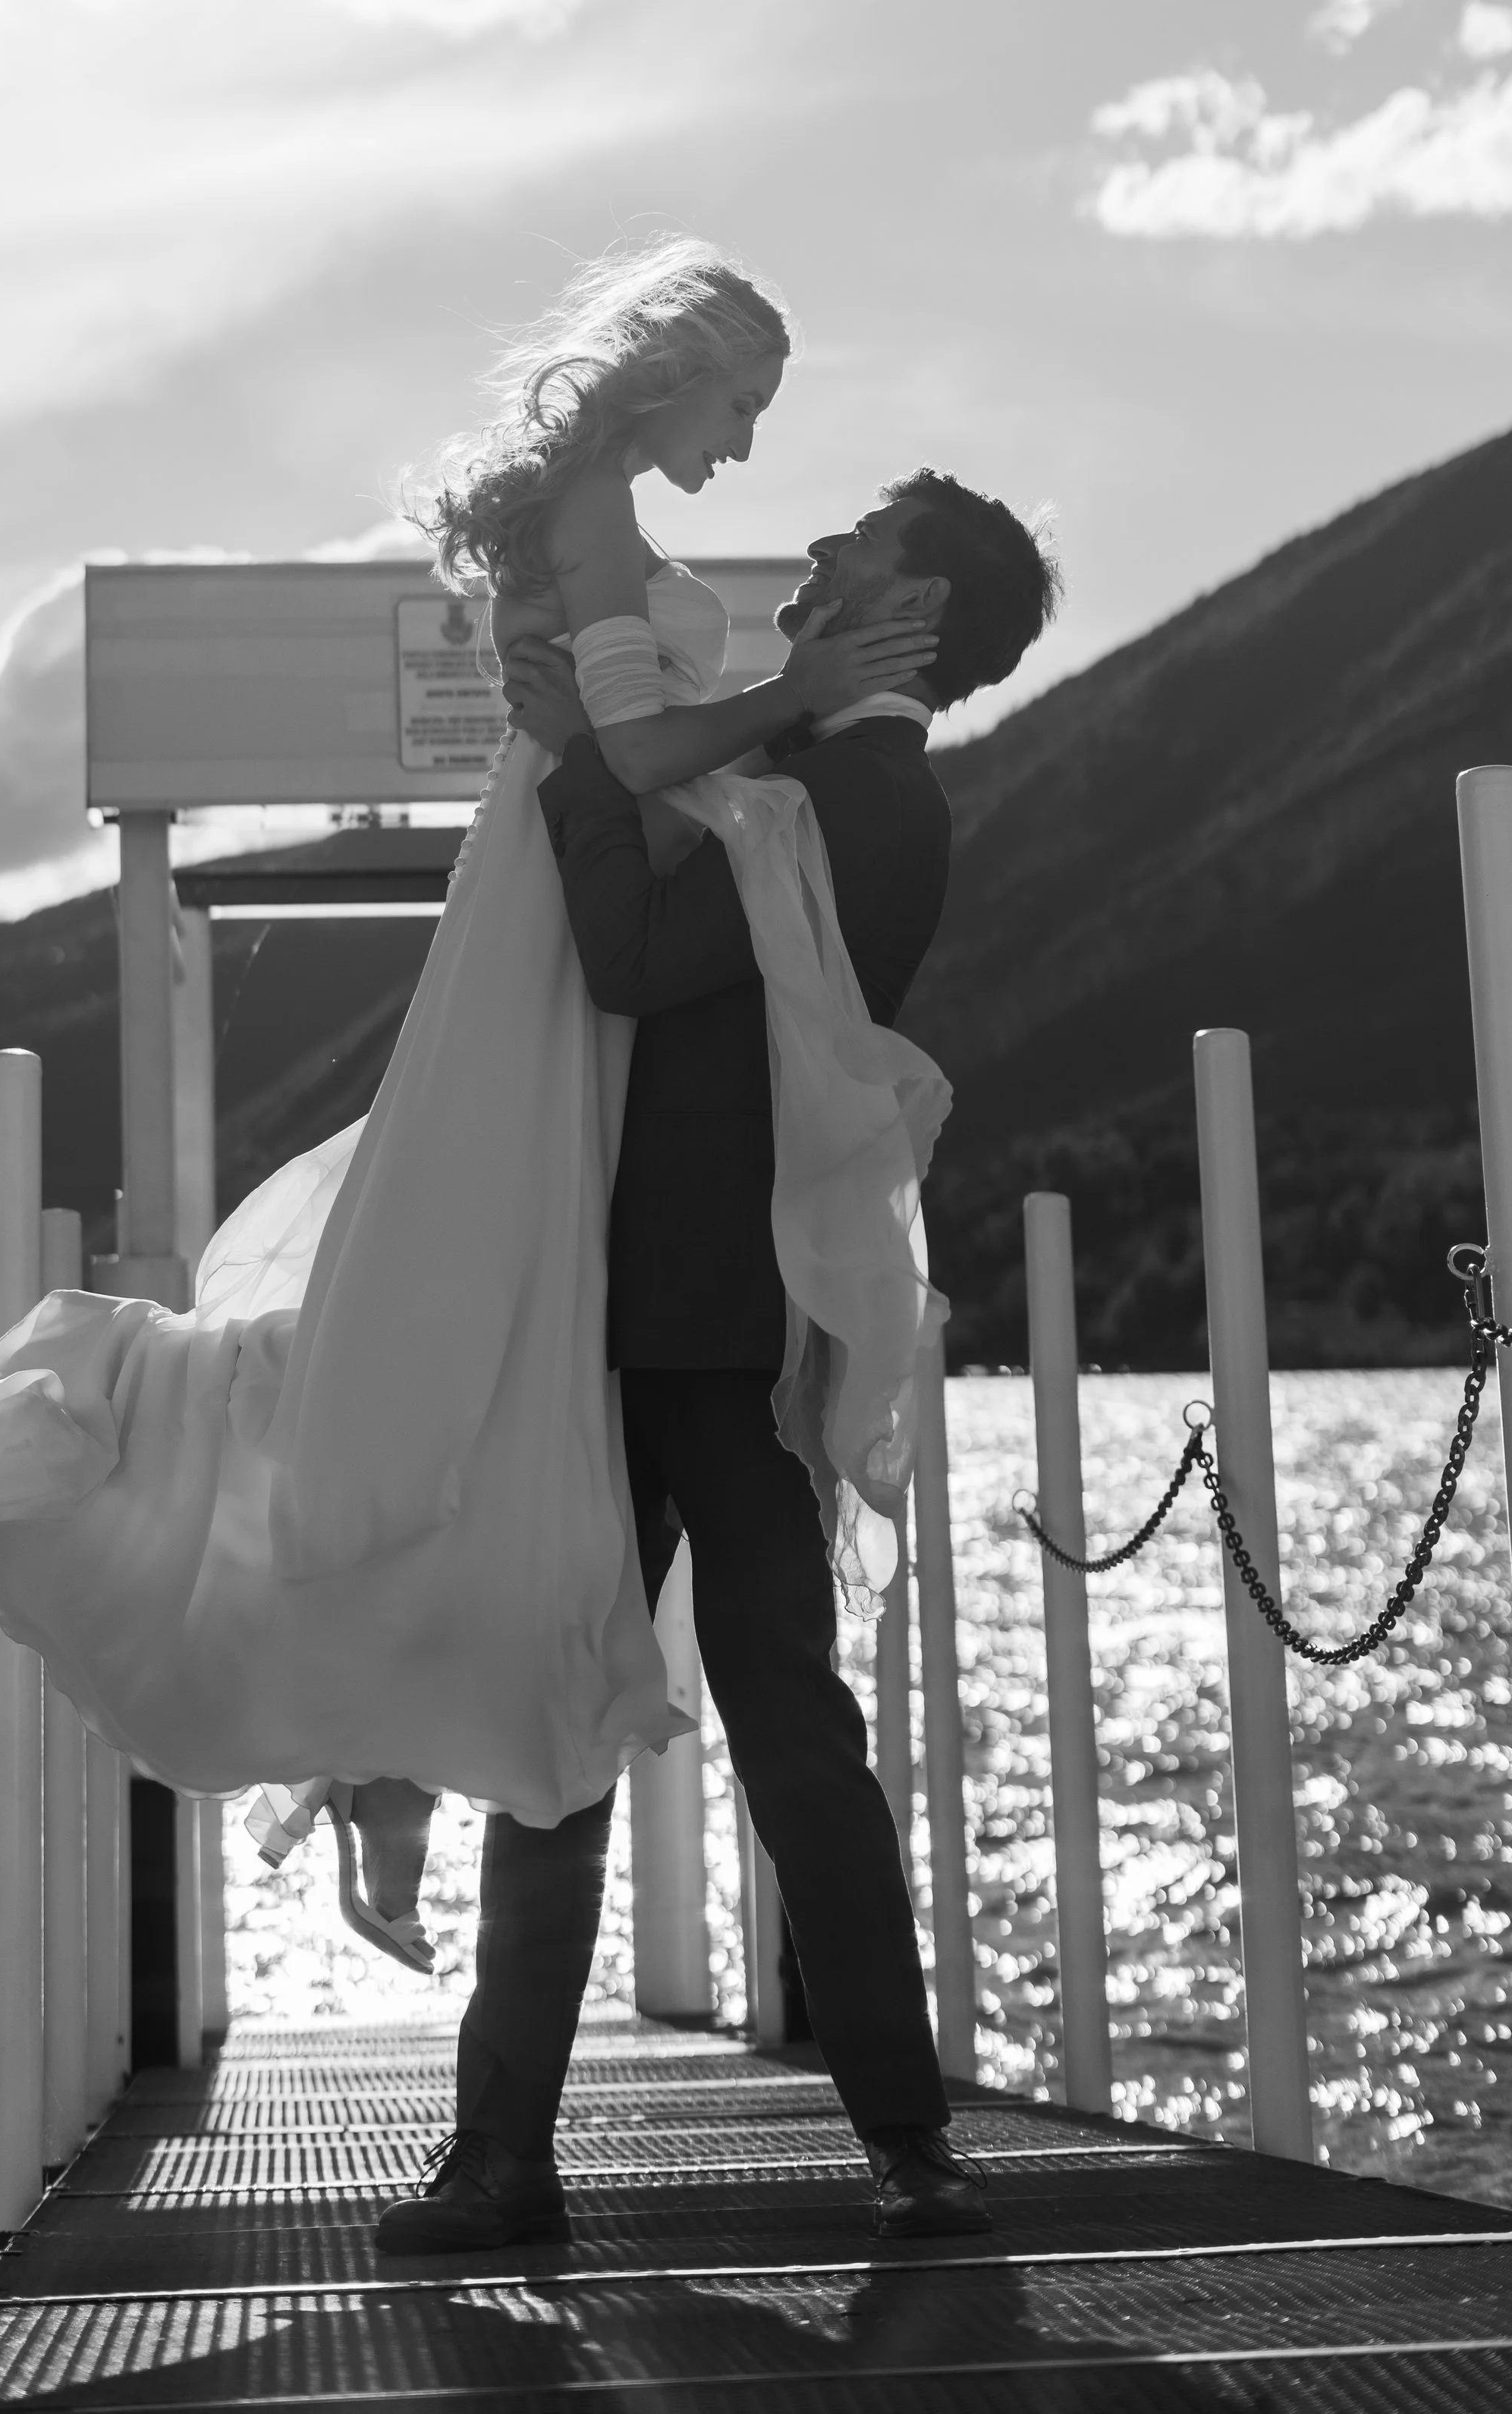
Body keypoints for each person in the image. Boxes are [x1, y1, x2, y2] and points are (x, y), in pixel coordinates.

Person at [0, 238, 938, 1969]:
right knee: (471, 1306)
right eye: (742, 403)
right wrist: (790, 700)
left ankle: (390, 1775)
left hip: (565, 889)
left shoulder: (597, 512)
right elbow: (627, 756)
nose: (744, 444)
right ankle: (382, 1761)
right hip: (558, 913)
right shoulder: (593, 515)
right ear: (679, 369)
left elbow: (637, 752)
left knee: (497, 1335)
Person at [373, 469, 1061, 2250]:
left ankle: (568, 2154)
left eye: (858, 545)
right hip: (677, 1315)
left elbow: (631, 958)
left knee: (712, 1720)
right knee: (673, 1713)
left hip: (703, 1326)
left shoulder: (858, 800)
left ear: (911, 614)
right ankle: (858, 2142)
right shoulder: (815, 778)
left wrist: (570, 768)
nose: (817, 553)